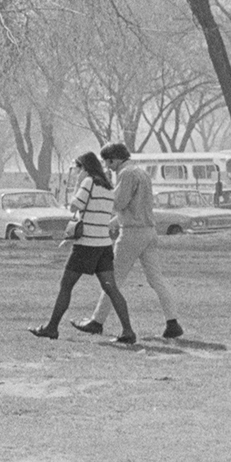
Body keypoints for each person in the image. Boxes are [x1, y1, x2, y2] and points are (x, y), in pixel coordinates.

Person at [72, 142, 184, 340]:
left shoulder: (126, 174)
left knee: (112, 279)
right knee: (156, 279)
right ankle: (172, 322)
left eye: (108, 163)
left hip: (132, 234)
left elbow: (119, 203)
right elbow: (136, 207)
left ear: (114, 159)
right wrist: (112, 223)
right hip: (149, 231)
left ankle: (97, 321)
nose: (108, 168)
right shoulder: (142, 173)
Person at [31, 150, 137, 346]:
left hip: (86, 245)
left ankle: (52, 327)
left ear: (84, 168)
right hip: (103, 245)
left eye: (77, 168)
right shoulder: (107, 186)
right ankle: (128, 331)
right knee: (111, 288)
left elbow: (74, 206)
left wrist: (78, 185)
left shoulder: (88, 183)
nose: (76, 172)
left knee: (66, 286)